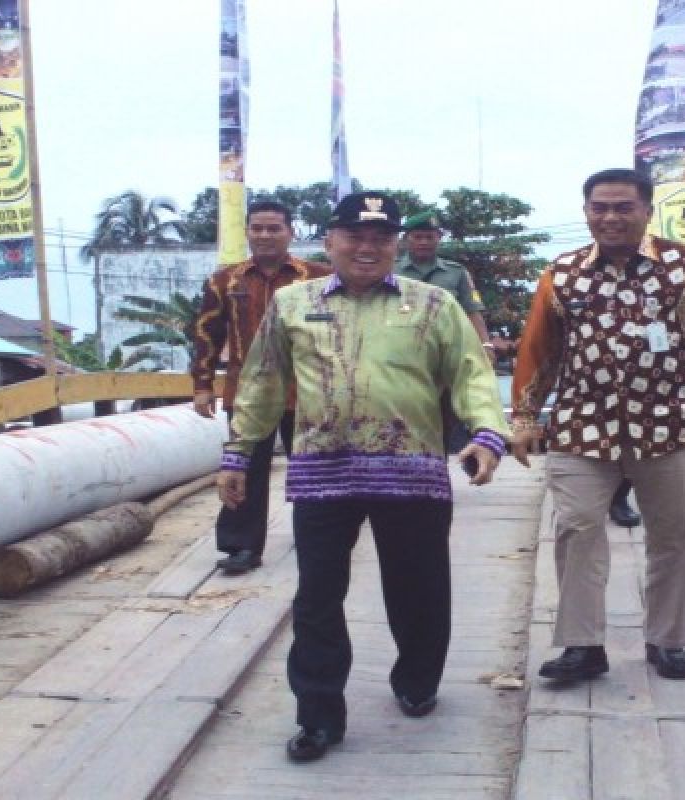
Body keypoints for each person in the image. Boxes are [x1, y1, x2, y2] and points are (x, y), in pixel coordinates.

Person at [217, 191, 509, 764]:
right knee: (318, 597)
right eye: (354, 235)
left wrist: (486, 432)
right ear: (330, 242)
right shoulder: (293, 304)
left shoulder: (432, 304)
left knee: (418, 589)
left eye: (380, 237)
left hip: (414, 474)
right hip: (324, 472)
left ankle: (418, 679)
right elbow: (262, 381)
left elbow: (472, 373)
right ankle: (319, 715)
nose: (367, 247)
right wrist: (237, 453)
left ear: (396, 245)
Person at [511, 168, 685, 682]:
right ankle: (582, 645)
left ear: (647, 209)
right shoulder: (561, 274)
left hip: (668, 423)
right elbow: (539, 350)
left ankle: (667, 640)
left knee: (673, 536)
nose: (610, 217)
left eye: (623, 206)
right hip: (582, 424)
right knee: (577, 529)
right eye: (599, 207)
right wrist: (524, 417)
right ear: (585, 212)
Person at [192, 199, 330, 575]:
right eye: (258, 228)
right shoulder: (225, 281)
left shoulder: (318, 278)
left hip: (307, 392)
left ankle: (318, 540)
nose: (265, 235)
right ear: (248, 232)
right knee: (244, 467)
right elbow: (206, 334)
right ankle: (241, 546)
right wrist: (202, 385)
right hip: (247, 393)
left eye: (274, 228)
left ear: (291, 233)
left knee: (313, 468)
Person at [395, 210, 493, 452]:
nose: (424, 242)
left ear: (439, 238)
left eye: (430, 236)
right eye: (418, 236)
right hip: (403, 354)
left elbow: (472, 310)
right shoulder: (391, 270)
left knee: (447, 416)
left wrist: (486, 345)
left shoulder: (456, 272)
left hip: (446, 355)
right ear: (407, 239)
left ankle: (440, 468)